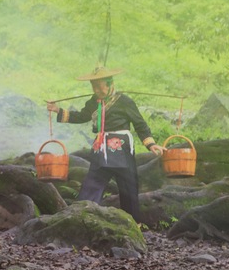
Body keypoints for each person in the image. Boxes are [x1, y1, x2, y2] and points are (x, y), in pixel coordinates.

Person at [46, 66, 164, 222]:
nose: (96, 90)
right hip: (100, 149)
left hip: (121, 148)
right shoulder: (93, 102)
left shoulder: (125, 101)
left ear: (109, 84)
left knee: (128, 188)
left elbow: (140, 124)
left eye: (99, 86)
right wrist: (57, 110)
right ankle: (80, 218)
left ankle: (133, 224)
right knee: (91, 185)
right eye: (93, 86)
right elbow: (82, 116)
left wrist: (151, 144)